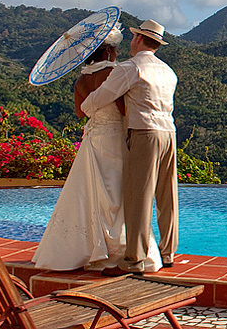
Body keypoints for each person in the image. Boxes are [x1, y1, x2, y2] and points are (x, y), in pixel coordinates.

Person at [32, 26, 162, 272]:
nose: (117, 53)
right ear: (108, 51)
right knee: (119, 192)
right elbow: (123, 109)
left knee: (90, 193)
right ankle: (120, 249)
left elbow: (80, 112)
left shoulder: (81, 80)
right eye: (115, 49)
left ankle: (87, 249)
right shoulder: (113, 73)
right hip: (114, 137)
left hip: (93, 137)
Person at [81, 19, 179, 276]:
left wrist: (85, 106)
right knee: (167, 195)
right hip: (169, 132)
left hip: (145, 133)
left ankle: (134, 260)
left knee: (139, 197)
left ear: (138, 39)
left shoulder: (130, 67)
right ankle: (168, 252)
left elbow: (103, 96)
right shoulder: (168, 71)